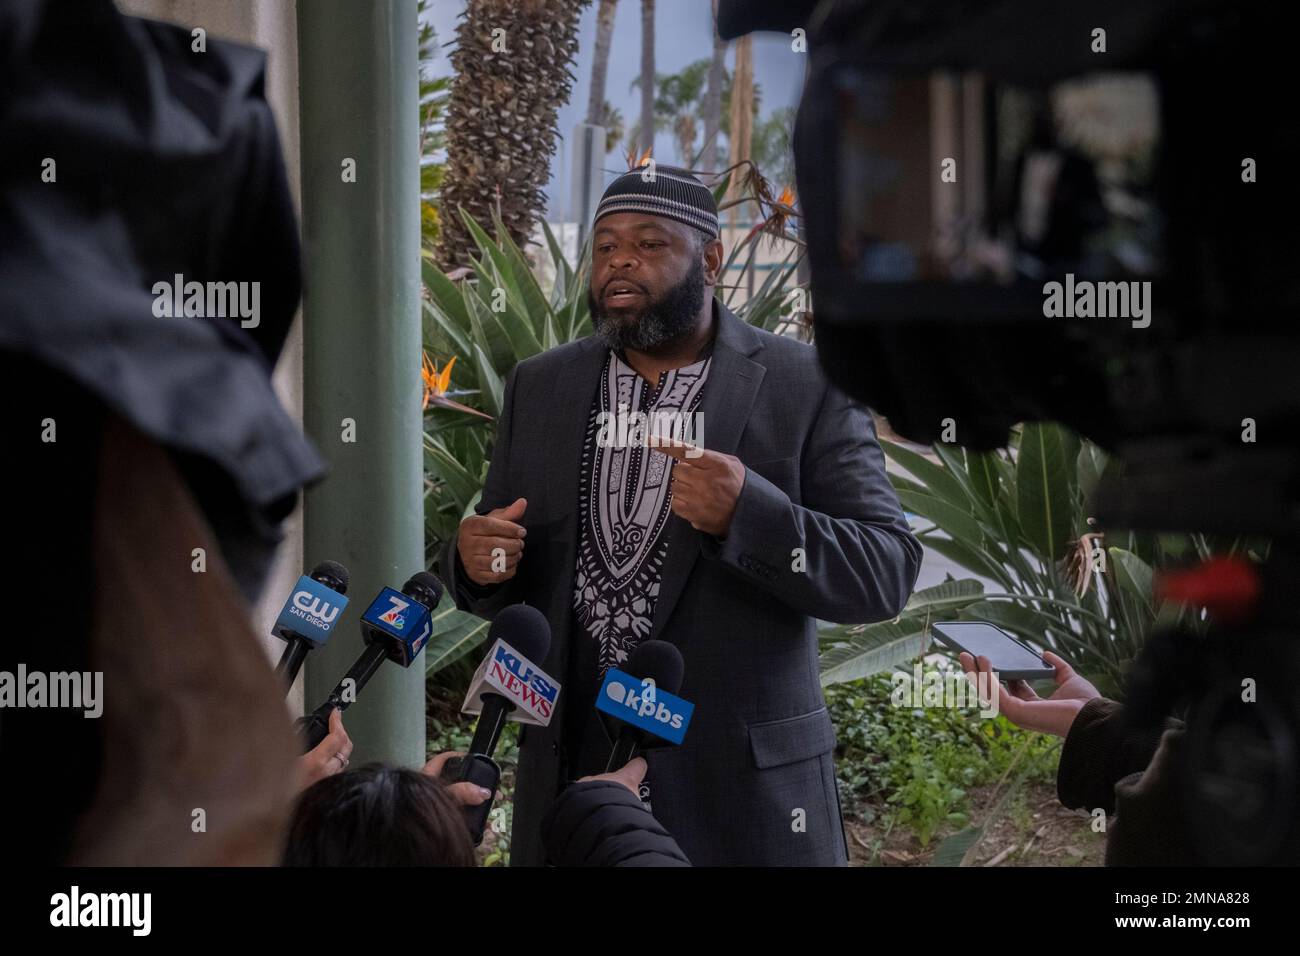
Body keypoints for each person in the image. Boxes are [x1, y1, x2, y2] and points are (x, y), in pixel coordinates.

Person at [439, 164, 922, 866]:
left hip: (740, 797)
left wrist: (748, 515)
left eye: (649, 243)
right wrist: (475, 563)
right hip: (572, 787)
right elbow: (506, 560)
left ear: (713, 260)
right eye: (604, 246)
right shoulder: (542, 386)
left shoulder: (805, 385)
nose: (620, 261)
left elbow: (885, 571)